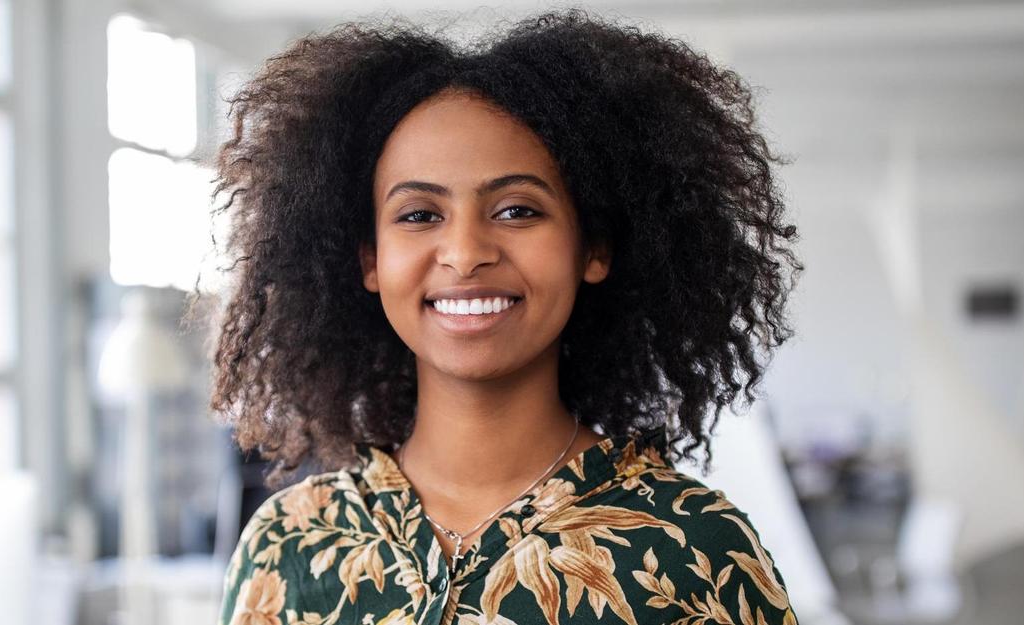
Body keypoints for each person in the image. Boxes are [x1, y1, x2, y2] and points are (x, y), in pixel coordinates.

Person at [209, 10, 801, 625]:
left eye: (517, 210)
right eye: (418, 215)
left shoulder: (695, 553)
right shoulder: (288, 548)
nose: (466, 254)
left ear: (592, 248)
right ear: (370, 261)